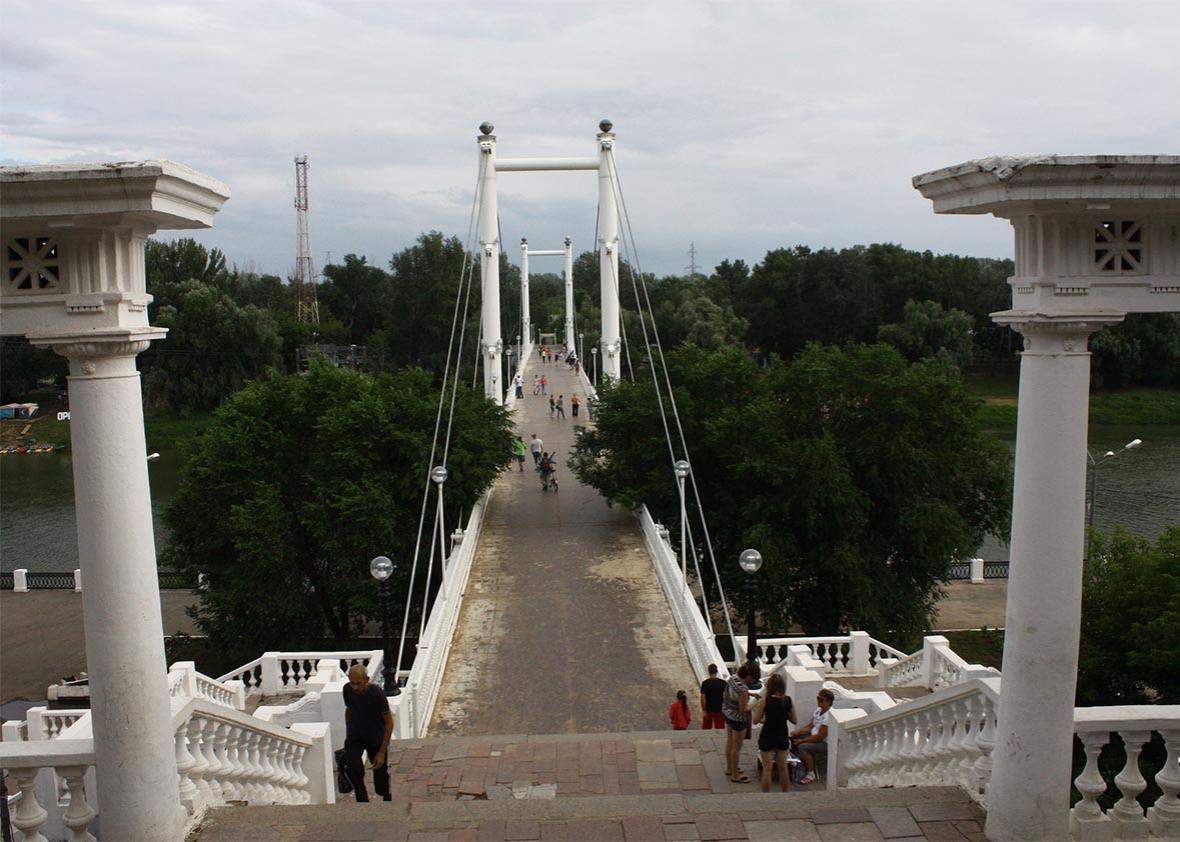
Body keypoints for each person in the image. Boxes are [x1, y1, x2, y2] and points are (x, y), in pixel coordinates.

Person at [341, 664, 393, 802]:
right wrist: (348, 734)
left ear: (367, 680)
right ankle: (362, 800)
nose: (355, 687)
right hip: (356, 735)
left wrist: (382, 752)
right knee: (353, 767)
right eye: (352, 683)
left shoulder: (377, 694)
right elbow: (349, 710)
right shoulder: (347, 690)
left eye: (359, 683)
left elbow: (389, 722)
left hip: (375, 735)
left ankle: (386, 794)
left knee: (381, 776)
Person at [751, 673, 794, 793]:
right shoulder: (788, 701)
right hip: (782, 734)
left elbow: (755, 720)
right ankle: (786, 793)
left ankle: (766, 796)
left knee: (767, 769)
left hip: (767, 735)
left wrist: (764, 718)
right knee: (783, 767)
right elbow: (794, 719)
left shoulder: (765, 701)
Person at [790, 687, 834, 785]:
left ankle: (811, 773)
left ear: (828, 702)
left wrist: (802, 741)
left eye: (821, 700)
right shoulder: (818, 710)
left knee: (803, 747)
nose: (818, 701)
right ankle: (799, 765)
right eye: (818, 698)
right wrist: (798, 732)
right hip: (814, 736)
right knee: (792, 739)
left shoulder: (829, 716)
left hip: (824, 743)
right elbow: (810, 726)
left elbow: (820, 736)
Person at [722, 664, 752, 783]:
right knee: (737, 748)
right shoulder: (743, 690)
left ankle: (730, 768)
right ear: (748, 676)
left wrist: (750, 694)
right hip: (738, 719)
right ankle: (735, 775)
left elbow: (733, 695)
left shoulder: (733, 678)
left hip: (727, 713)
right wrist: (754, 704)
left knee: (729, 741)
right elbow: (743, 709)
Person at [699, 663, 726, 730]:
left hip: (709, 709)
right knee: (720, 729)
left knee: (706, 729)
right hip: (720, 709)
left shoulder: (705, 683)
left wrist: (704, 709)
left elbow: (703, 698)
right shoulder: (723, 683)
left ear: (709, 672)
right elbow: (726, 696)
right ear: (716, 671)